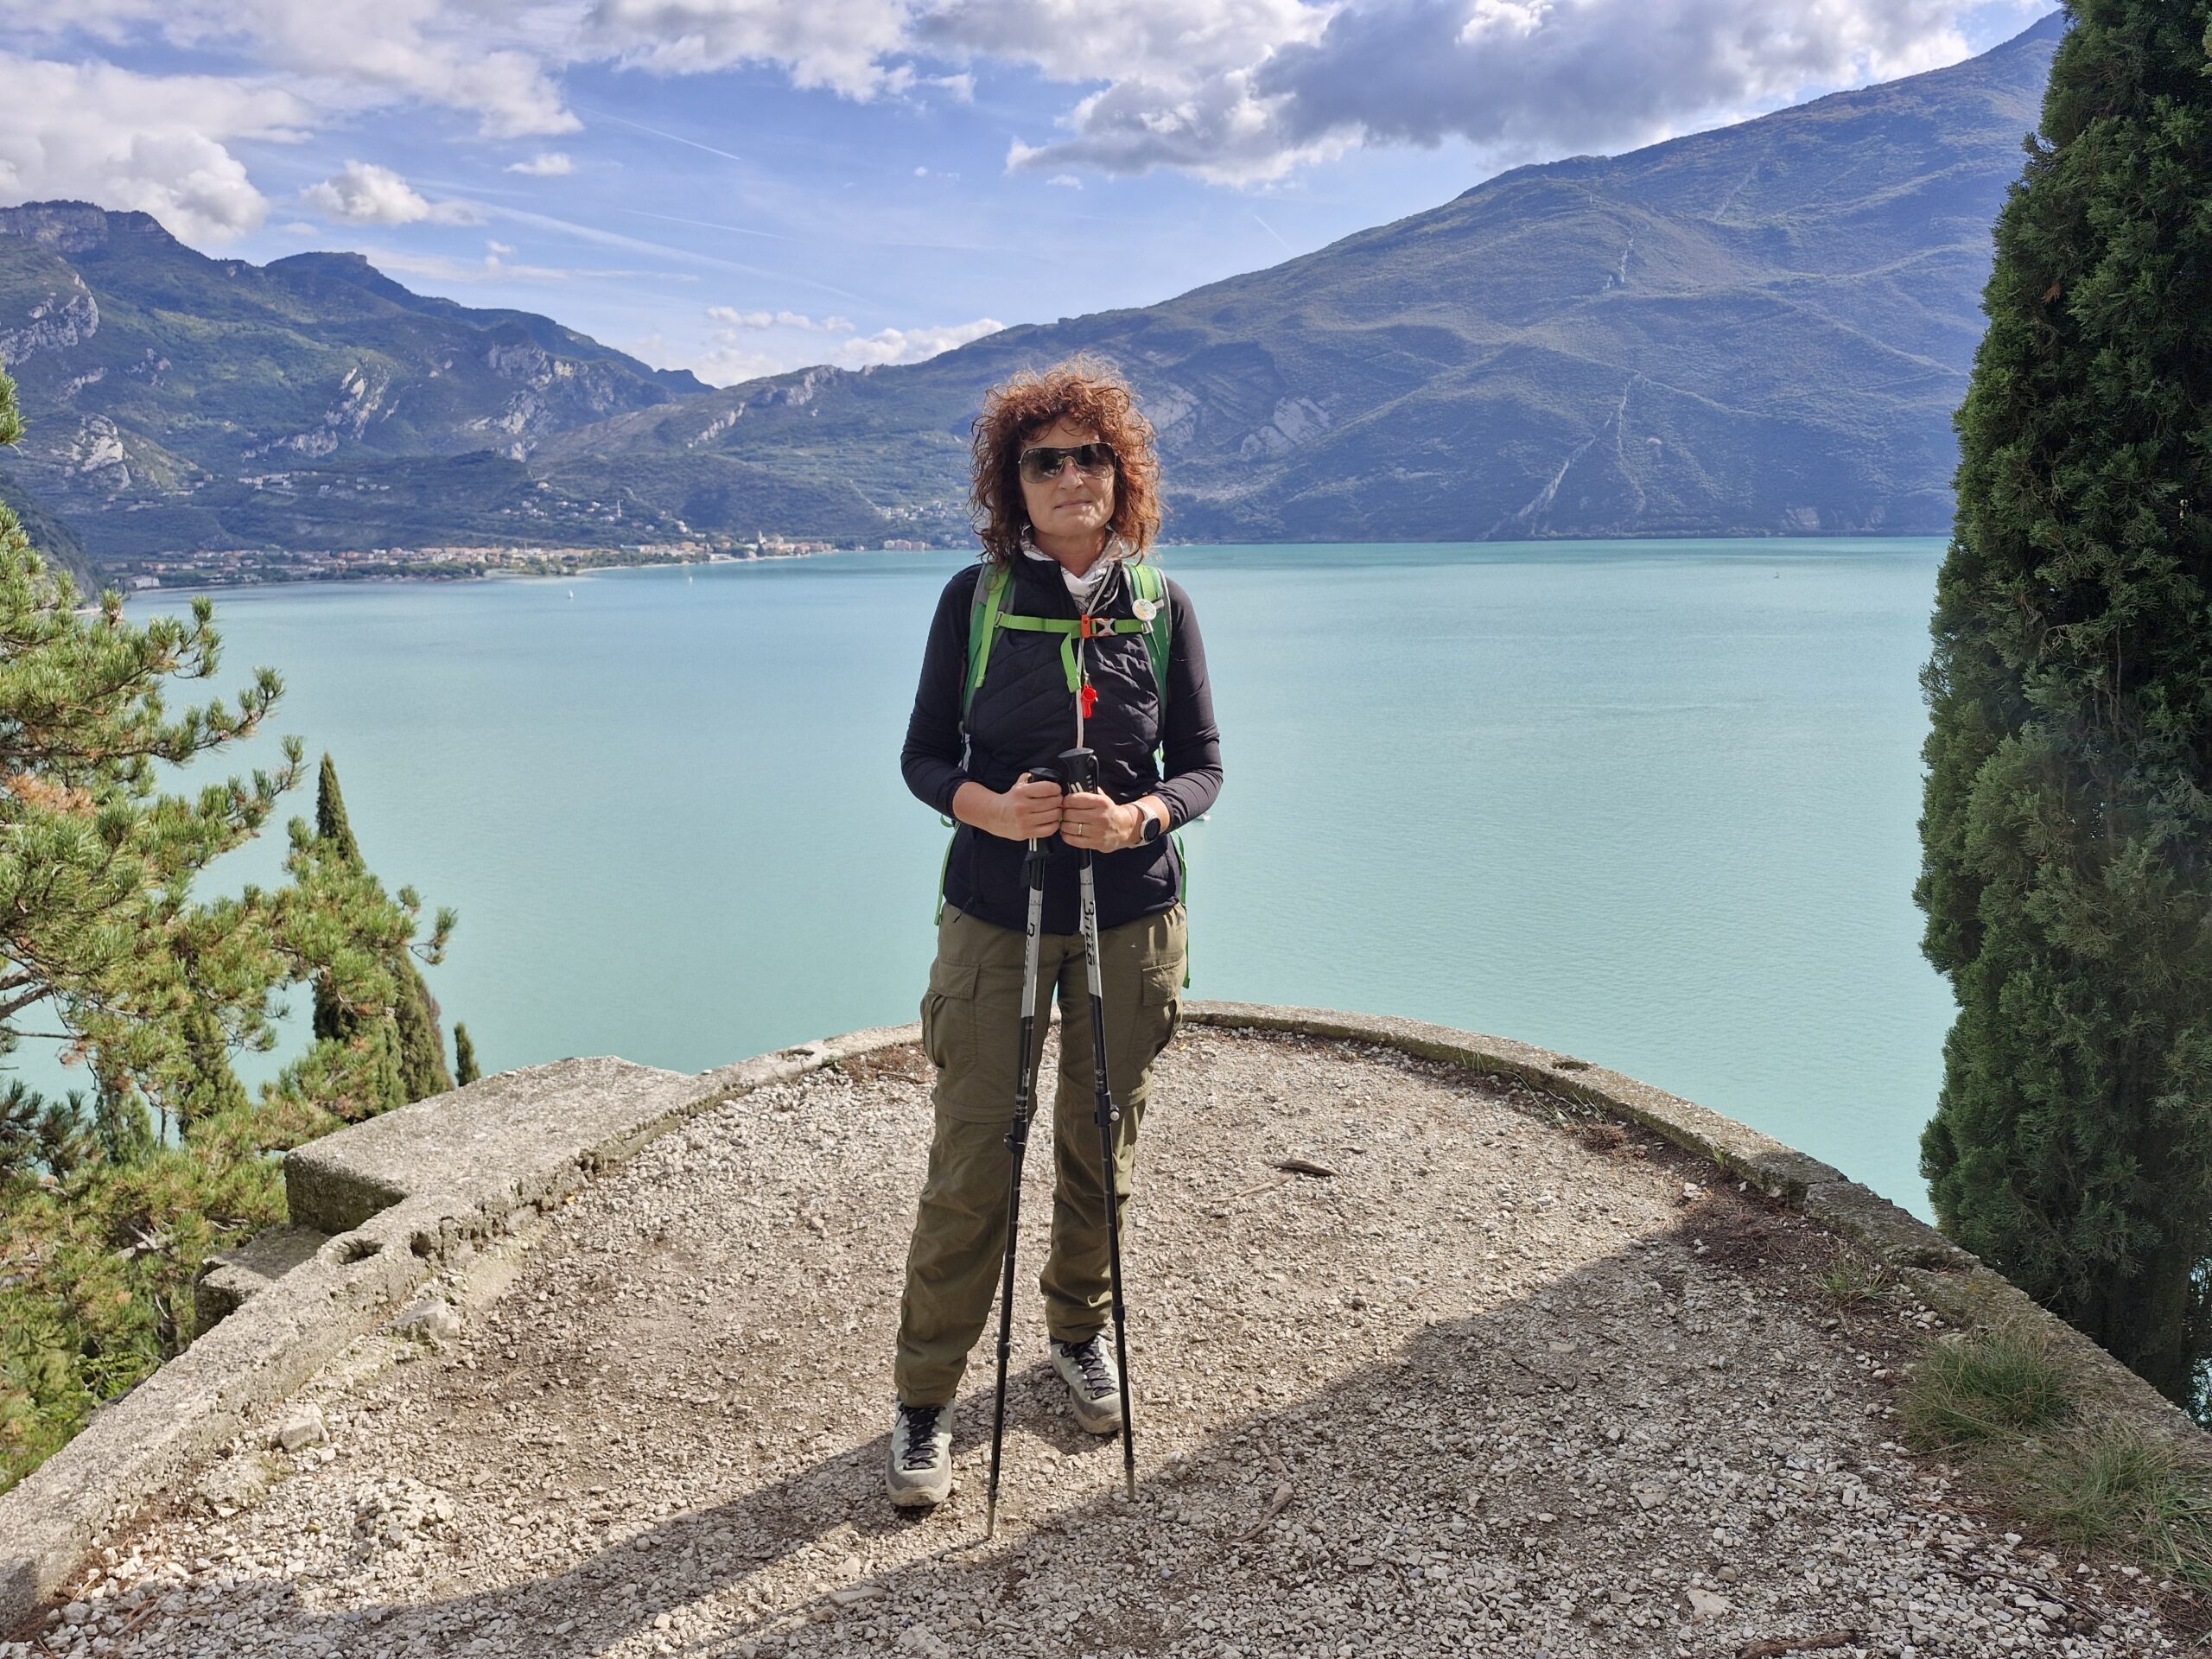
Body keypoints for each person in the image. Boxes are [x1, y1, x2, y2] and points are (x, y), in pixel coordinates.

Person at [888, 359, 1224, 1509]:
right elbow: (925, 756)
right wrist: (992, 807)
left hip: (1130, 921)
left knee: (1099, 1139)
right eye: (1048, 460)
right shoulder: (976, 602)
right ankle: (926, 1397)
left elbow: (1205, 768)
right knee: (976, 1154)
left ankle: (1080, 1332)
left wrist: (1140, 815)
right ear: (1013, 483)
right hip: (997, 916)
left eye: (1093, 457)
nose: (1073, 476)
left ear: (1120, 476)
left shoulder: (1158, 606)